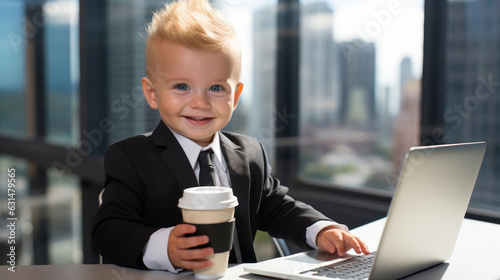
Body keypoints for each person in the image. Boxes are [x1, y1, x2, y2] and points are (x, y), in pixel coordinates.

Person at [92, 0, 369, 273]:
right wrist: (164, 247)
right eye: (182, 86)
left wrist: (321, 229)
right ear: (152, 93)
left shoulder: (249, 153)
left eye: (215, 88)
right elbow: (109, 230)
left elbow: (278, 208)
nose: (200, 102)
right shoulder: (131, 158)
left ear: (235, 96)